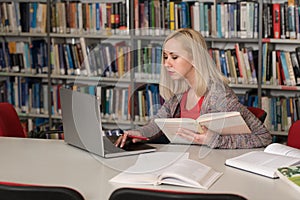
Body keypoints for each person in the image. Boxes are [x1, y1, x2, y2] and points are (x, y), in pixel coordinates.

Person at [115, 28, 272, 149]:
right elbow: (157, 123)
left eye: (174, 57)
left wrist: (214, 140)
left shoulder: (218, 95)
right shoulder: (180, 93)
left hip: (214, 169)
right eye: (165, 57)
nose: (166, 63)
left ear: (195, 58)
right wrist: (140, 133)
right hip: (186, 163)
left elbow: (264, 137)